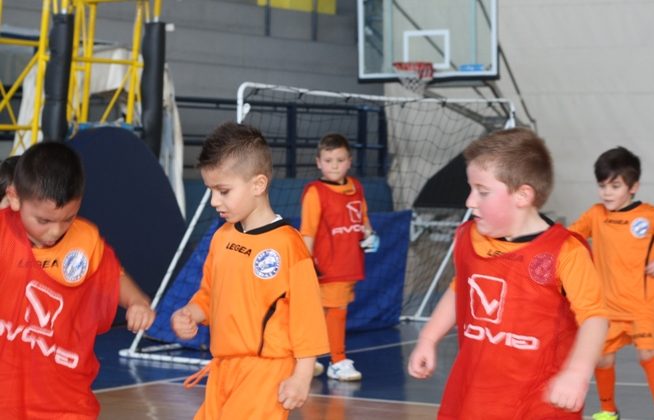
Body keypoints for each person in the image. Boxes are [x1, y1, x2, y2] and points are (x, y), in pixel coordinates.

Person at [407, 128, 608, 419]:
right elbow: (460, 287)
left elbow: (595, 318)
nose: (470, 201)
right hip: (472, 398)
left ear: (522, 195)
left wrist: (577, 372)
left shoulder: (566, 252)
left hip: (538, 405)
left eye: (482, 192)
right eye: (470, 189)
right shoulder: (468, 238)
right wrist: (428, 338)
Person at [170, 122, 329, 419]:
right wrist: (191, 313)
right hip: (222, 369)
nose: (214, 201)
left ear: (258, 184)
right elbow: (209, 295)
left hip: (266, 372)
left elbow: (307, 317)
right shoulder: (221, 238)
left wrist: (302, 374)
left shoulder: (288, 245)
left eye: (223, 191)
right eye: (210, 191)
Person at [0, 141, 155, 418]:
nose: (55, 231)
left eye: (67, 219)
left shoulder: (84, 243)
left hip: (64, 398)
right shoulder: (3, 233)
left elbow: (113, 276)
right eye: (43, 221)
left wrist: (137, 302)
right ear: (14, 198)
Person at [568, 146, 654, 420]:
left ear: (633, 187)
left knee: (647, 353)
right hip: (608, 307)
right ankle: (608, 411)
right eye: (602, 186)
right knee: (602, 358)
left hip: (640, 306)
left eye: (615, 186)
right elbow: (569, 235)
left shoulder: (648, 215)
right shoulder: (596, 214)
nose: (606, 193)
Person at [299, 133, 379, 381]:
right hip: (327, 265)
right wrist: (305, 264)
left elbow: (363, 219)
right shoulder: (315, 192)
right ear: (318, 162)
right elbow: (308, 231)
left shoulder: (356, 187)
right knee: (336, 311)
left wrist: (369, 234)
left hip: (350, 261)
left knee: (322, 312)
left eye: (340, 160)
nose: (334, 165)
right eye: (328, 160)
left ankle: (305, 359)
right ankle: (337, 360)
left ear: (349, 161)